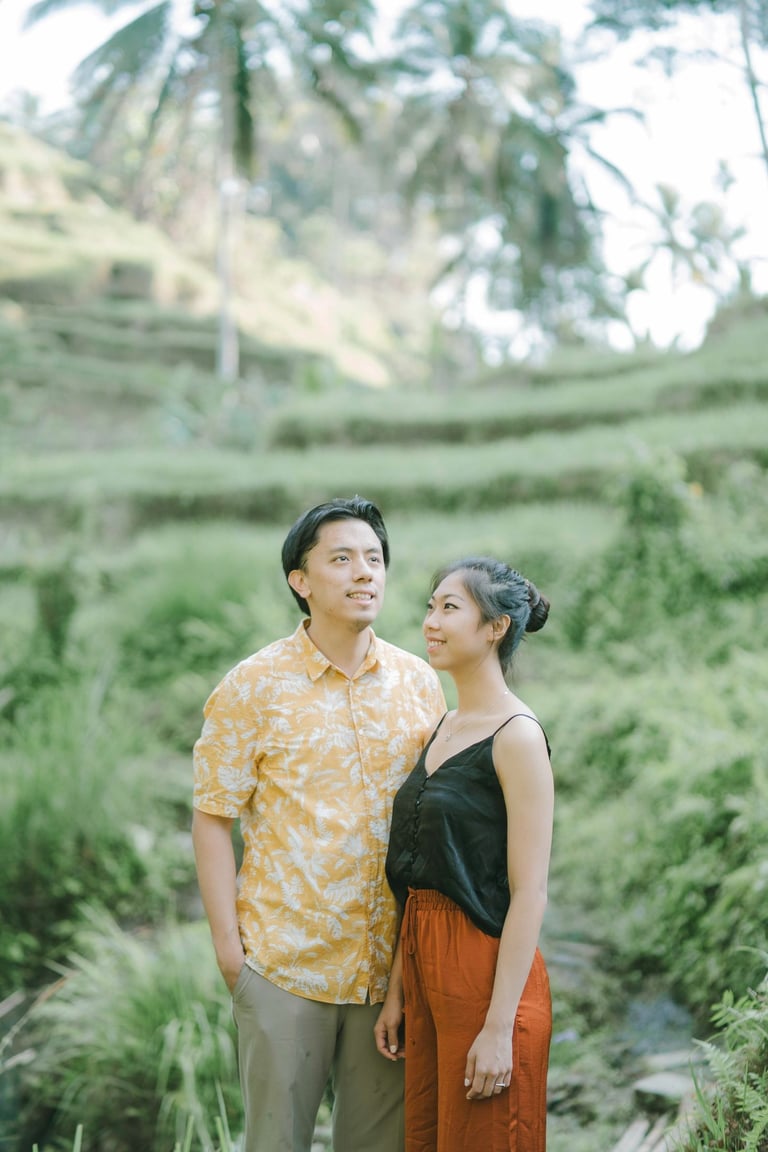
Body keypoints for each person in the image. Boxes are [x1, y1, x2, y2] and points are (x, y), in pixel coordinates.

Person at [192, 496, 446, 1152]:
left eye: (374, 558)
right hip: (284, 968)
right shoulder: (253, 686)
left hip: (387, 975)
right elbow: (213, 818)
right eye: (342, 559)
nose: (364, 572)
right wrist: (230, 955)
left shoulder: (419, 683)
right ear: (300, 581)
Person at [375, 556, 554, 1152]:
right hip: (424, 966)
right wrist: (399, 989)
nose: (431, 621)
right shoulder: (446, 725)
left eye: (449, 608)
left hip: (485, 974)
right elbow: (423, 873)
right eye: (430, 607)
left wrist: (499, 1027)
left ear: (496, 627)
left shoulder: (517, 735)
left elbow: (530, 892)